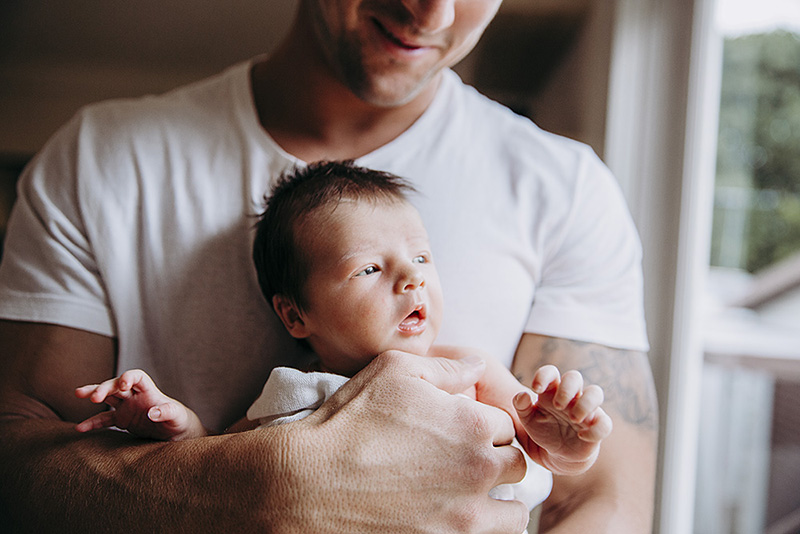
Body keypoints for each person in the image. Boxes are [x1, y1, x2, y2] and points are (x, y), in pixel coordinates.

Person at [0, 1, 659, 532]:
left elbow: (598, 496)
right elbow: (20, 464)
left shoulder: (568, 191)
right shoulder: (98, 161)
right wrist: (253, 487)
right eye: (369, 269)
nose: (431, 13)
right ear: (294, 312)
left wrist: (558, 432)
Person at [73, 161, 614, 517]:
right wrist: (171, 421)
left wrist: (567, 444)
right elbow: (224, 461)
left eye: (421, 257)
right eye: (370, 269)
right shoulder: (294, 393)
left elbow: (535, 458)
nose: (412, 277)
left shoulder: (470, 371)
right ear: (295, 315)